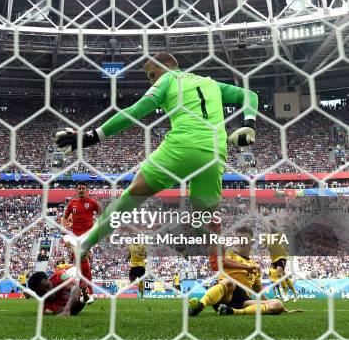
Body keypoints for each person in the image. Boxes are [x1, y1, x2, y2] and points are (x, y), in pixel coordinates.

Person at [57, 53, 259, 270]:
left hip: (182, 147)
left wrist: (90, 137)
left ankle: (84, 243)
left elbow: (135, 111)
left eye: (153, 75)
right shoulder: (210, 84)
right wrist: (248, 123)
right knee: (202, 219)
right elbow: (249, 94)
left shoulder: (169, 79)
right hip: (215, 154)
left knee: (133, 194)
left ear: (168, 66)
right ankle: (222, 262)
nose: (152, 81)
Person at [189, 226, 299, 316]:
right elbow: (223, 262)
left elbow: (258, 291)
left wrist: (271, 303)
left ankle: (231, 312)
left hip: (243, 301)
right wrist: (246, 267)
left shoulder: (255, 266)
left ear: (251, 242)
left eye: (245, 239)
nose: (241, 242)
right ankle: (200, 305)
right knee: (229, 282)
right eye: (239, 239)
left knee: (278, 304)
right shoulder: (230, 253)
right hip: (225, 294)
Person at [61, 182, 100, 301]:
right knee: (79, 264)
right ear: (76, 190)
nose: (81, 190)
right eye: (79, 188)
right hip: (76, 236)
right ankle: (86, 292)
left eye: (83, 188)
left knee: (81, 260)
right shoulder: (72, 203)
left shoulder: (92, 202)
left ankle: (89, 293)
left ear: (86, 190)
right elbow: (64, 217)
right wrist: (64, 227)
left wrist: (99, 226)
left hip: (88, 236)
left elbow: (102, 214)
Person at [264, 220, 297, 302]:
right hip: (273, 258)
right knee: (283, 276)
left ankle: (285, 294)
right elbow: (264, 245)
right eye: (269, 226)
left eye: (272, 225)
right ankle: (295, 293)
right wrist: (263, 246)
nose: (271, 227)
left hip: (281, 256)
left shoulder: (280, 233)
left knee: (279, 274)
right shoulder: (266, 236)